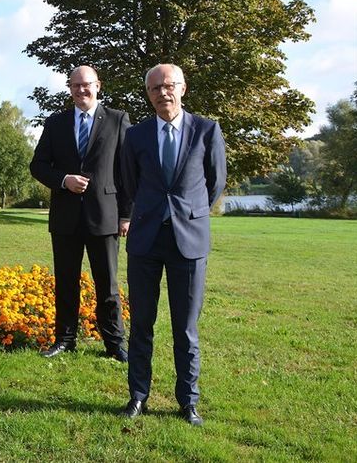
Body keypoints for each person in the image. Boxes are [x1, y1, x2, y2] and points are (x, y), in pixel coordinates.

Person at [120, 64, 226, 426]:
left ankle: (188, 401)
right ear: (148, 94)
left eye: (168, 86)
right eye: (154, 88)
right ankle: (138, 396)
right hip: (146, 241)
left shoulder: (207, 131)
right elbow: (130, 183)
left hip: (190, 242)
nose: (162, 93)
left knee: (186, 328)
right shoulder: (135, 136)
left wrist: (189, 211)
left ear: (182, 88)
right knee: (141, 325)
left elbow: (214, 182)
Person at [30, 65, 130, 361]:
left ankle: (114, 344)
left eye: (86, 85)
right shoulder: (56, 123)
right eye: (75, 86)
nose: (81, 90)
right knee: (65, 281)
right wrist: (64, 180)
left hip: (106, 216)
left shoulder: (118, 120)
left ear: (98, 85)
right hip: (65, 217)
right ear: (69, 88)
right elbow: (38, 165)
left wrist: (127, 215)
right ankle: (65, 340)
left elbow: (127, 171)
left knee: (108, 284)